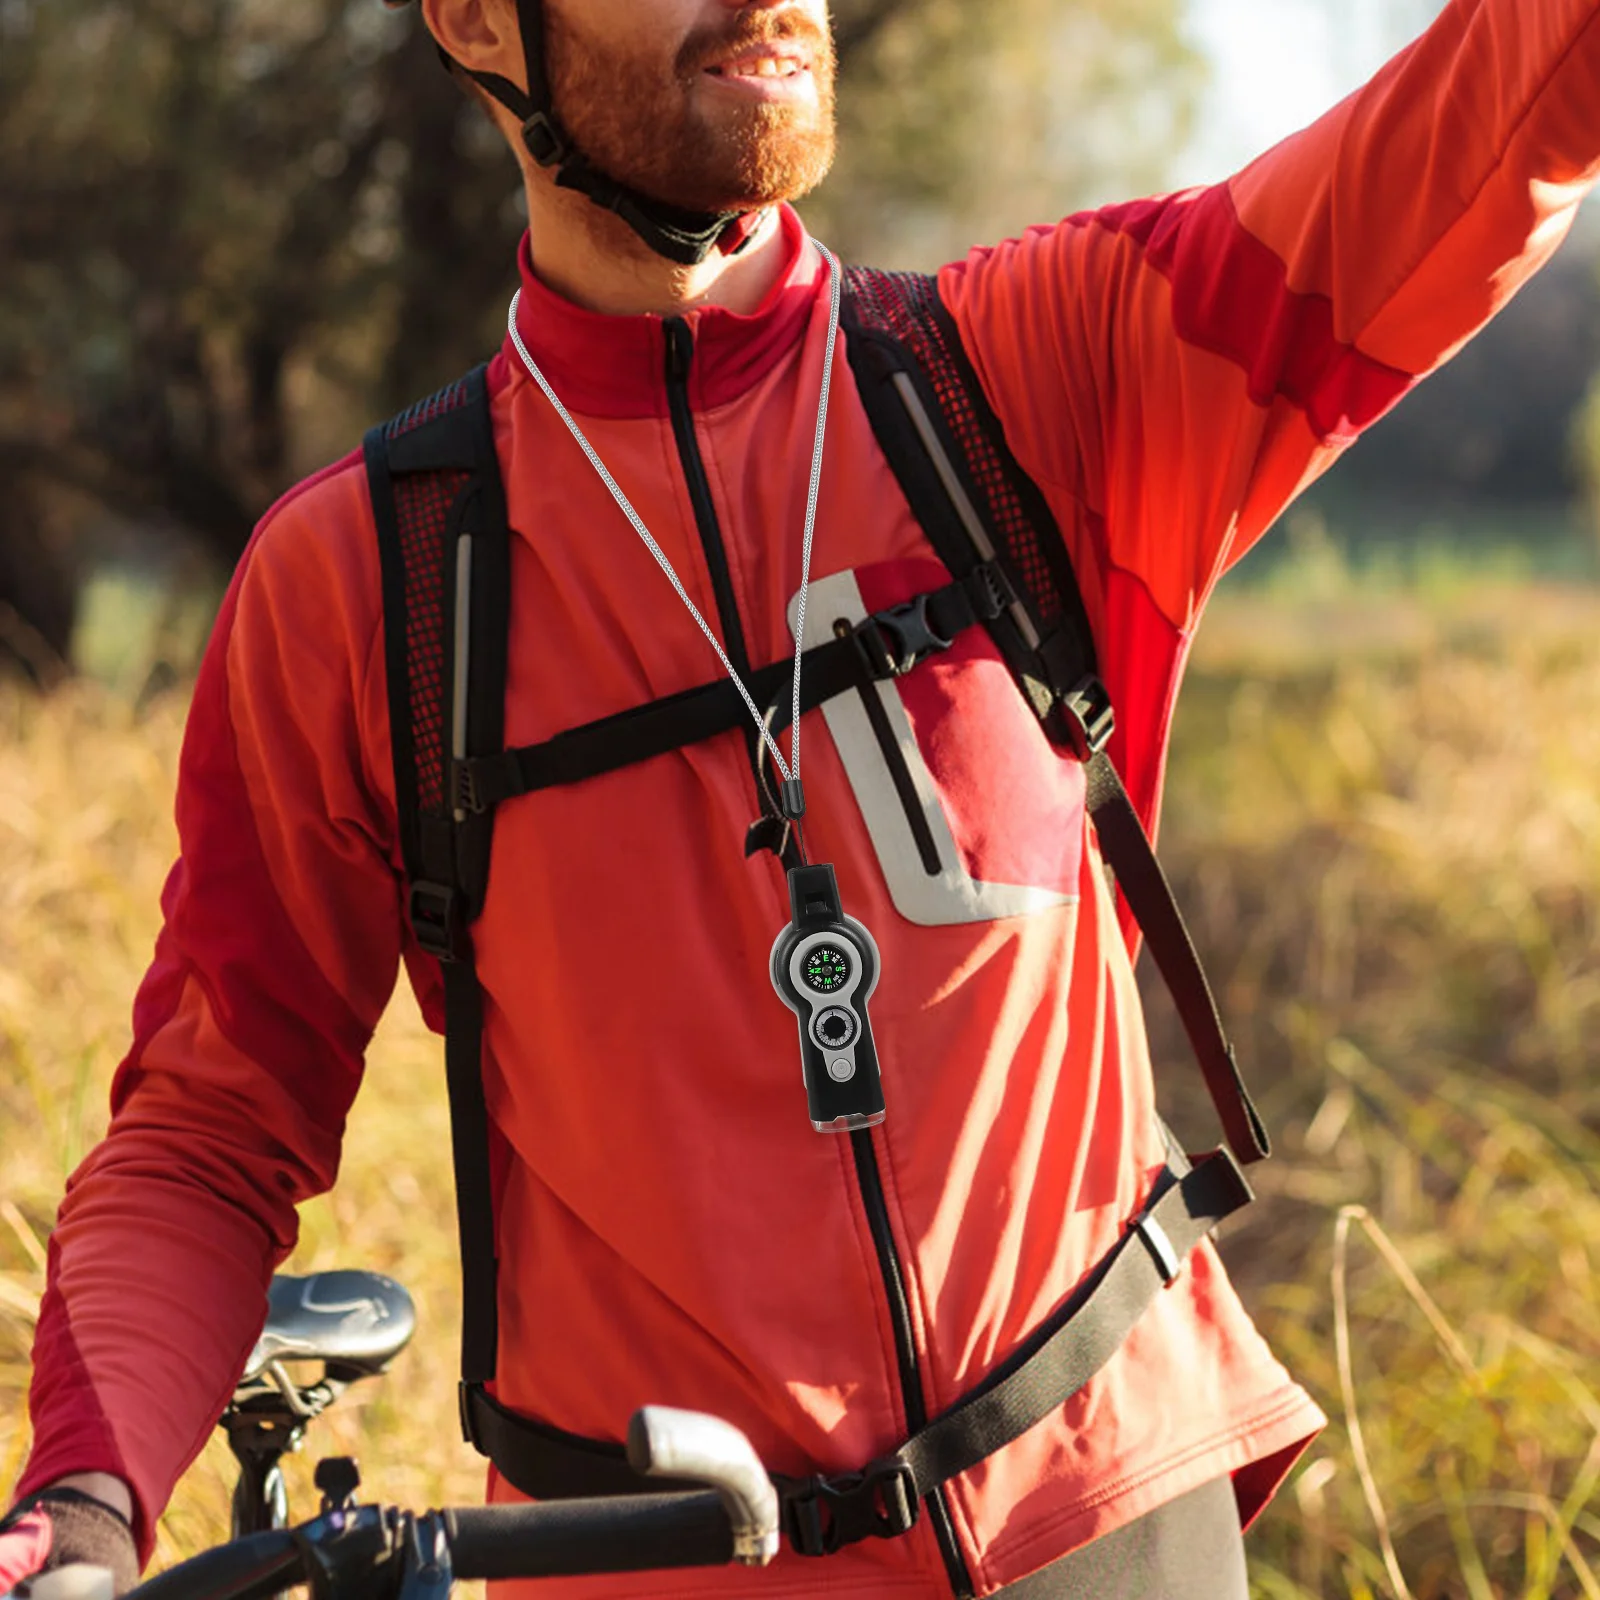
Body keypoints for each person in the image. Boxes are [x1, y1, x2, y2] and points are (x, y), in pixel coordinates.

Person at [4, 0, 1598, 1595]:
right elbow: (210, 1132)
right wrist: (76, 1518)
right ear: (484, 23)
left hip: (1112, 1512)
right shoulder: (368, 582)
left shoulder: (1035, 378)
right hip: (658, 1559)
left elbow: (1493, 120)